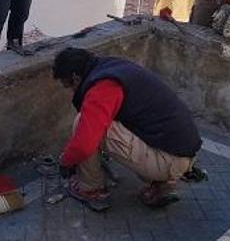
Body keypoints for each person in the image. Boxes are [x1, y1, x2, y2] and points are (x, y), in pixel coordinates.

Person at [53, 48, 202, 210]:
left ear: (75, 77)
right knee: (98, 122)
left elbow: (84, 144)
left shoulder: (103, 87)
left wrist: (66, 161)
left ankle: (90, 188)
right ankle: (163, 181)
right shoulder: (113, 68)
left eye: (68, 86)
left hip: (168, 159)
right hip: (181, 153)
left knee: (83, 122)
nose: (72, 90)